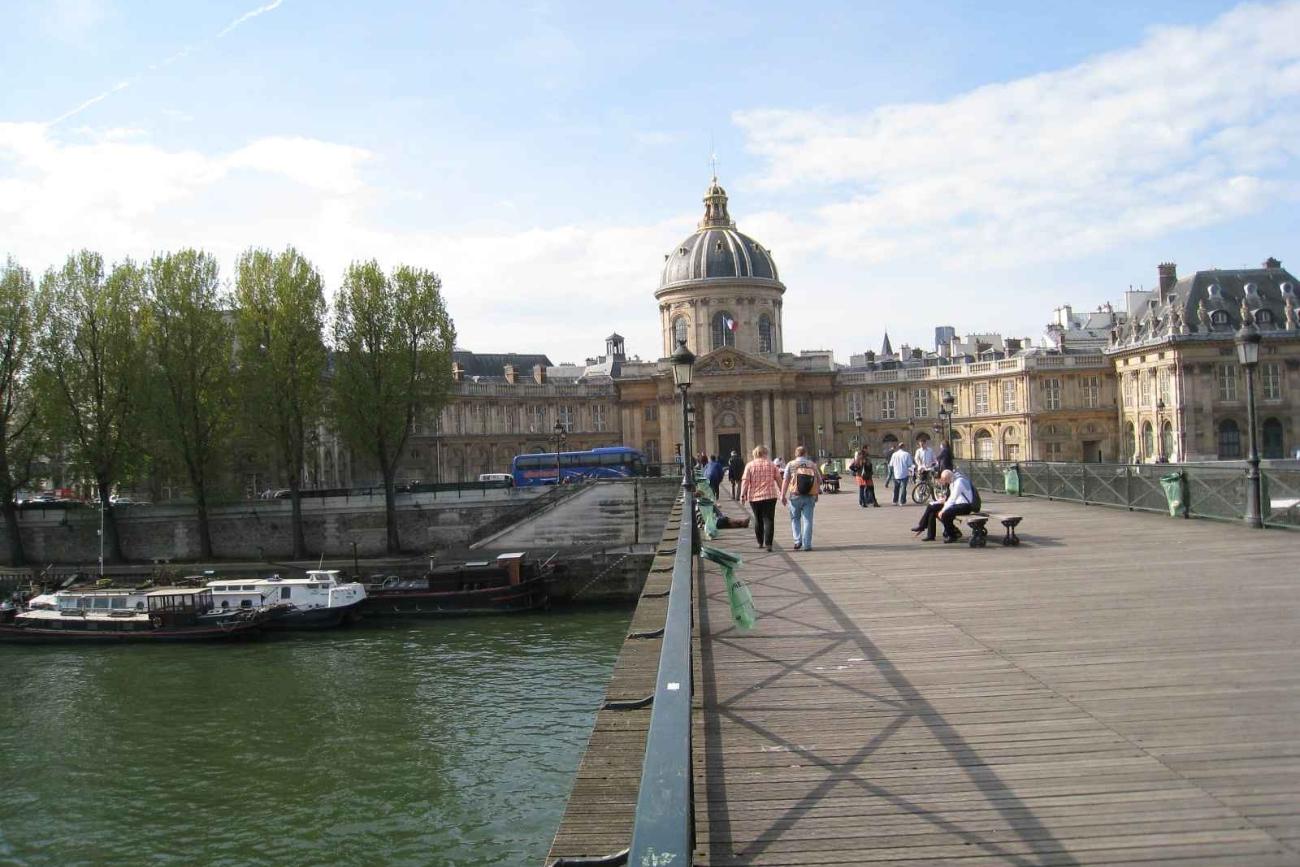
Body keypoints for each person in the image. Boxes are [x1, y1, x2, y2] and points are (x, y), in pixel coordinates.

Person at [912, 469, 977, 542]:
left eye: (945, 480)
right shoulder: (953, 481)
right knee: (932, 507)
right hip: (957, 504)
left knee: (945, 514)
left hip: (965, 506)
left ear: (948, 478)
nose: (945, 482)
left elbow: (953, 498)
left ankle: (952, 535)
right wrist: (941, 501)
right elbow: (951, 498)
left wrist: (943, 510)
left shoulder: (959, 482)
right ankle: (929, 533)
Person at [740, 445, 782, 551]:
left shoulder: (749, 465)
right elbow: (778, 479)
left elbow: (745, 481)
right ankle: (769, 544)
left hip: (754, 497)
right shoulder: (772, 465)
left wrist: (742, 495)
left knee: (758, 520)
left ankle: (760, 542)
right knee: (769, 520)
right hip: (770, 496)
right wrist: (782, 492)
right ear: (765, 453)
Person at [781, 446, 823, 551]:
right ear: (806, 453)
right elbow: (819, 480)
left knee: (795, 519)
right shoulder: (812, 464)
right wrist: (816, 493)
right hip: (809, 496)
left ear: (796, 454)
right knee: (808, 520)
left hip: (795, 495)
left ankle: (797, 541)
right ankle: (807, 545)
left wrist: (782, 495)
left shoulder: (790, 464)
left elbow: (785, 481)